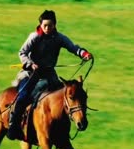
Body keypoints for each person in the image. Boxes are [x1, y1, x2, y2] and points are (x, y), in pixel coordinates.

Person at [7, 10, 93, 140]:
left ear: (55, 25)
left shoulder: (59, 38)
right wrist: (30, 64)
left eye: (50, 25)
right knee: (23, 96)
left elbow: (73, 47)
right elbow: (22, 52)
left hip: (49, 74)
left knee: (63, 97)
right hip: (31, 73)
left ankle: (61, 130)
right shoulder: (34, 37)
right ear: (40, 25)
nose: (47, 28)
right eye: (45, 25)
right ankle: (13, 127)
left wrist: (83, 54)